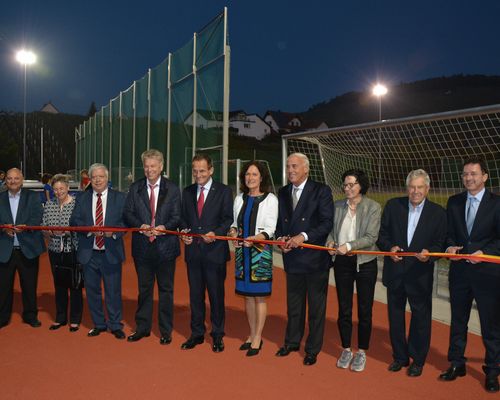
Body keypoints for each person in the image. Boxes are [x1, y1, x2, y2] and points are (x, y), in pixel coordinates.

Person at [377, 169, 446, 377]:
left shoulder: (438, 213)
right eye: (412, 187)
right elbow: (382, 235)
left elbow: (440, 243)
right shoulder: (392, 206)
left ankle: (418, 359)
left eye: (420, 187)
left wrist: (430, 255)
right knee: (395, 317)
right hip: (396, 272)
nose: (415, 191)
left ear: (427, 189)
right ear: (407, 188)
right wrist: (389, 248)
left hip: (420, 275)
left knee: (421, 319)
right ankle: (400, 356)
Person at [439, 157, 500, 393]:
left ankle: (493, 370)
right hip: (460, 273)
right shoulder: (454, 202)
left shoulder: (496, 204)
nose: (468, 178)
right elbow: (449, 234)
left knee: (491, 325)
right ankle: (457, 362)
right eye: (465, 174)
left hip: (488, 274)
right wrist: (450, 247)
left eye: (473, 174)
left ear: (484, 176)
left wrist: (485, 252)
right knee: (458, 321)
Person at [275, 152, 333, 366]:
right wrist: (281, 237)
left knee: (316, 308)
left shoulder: (321, 191)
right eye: (289, 166)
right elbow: (280, 222)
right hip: (292, 259)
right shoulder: (282, 192)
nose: (290, 170)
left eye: (295, 166)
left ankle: (312, 349)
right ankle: (291, 342)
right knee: (294, 305)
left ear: (306, 169)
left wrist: (303, 236)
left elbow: (327, 223)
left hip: (315, 260)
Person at [123, 149, 181, 345]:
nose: (149, 170)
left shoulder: (172, 189)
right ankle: (142, 328)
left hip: (166, 248)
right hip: (142, 248)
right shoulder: (135, 188)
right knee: (144, 290)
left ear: (161, 167)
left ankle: (166, 331)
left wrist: (166, 227)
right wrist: (140, 226)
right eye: (146, 166)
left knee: (166, 290)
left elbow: (177, 216)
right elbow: (128, 214)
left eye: (153, 166)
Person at [326, 169, 381, 372]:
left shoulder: (373, 207)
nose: (347, 188)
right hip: (342, 263)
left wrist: (349, 246)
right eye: (345, 185)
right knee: (344, 308)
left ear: (361, 185)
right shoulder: (338, 206)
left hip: (365, 262)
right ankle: (347, 348)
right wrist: (331, 241)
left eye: (351, 185)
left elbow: (371, 237)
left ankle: (362, 351)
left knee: (365, 309)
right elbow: (331, 229)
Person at [180, 154, 233, 353]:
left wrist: (217, 233)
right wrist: (183, 233)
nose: (198, 174)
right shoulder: (187, 192)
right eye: (195, 171)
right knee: (195, 296)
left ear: (211, 170)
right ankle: (197, 333)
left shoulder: (224, 191)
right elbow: (182, 219)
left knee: (216, 296)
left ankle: (218, 335)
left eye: (202, 170)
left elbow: (227, 219)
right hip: (193, 252)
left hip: (215, 253)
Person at [70, 163, 127, 339]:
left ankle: (115, 325)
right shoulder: (82, 198)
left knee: (113, 291)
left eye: (101, 176)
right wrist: (88, 229)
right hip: (89, 253)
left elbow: (126, 222)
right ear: (90, 179)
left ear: (107, 178)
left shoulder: (120, 197)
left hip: (111, 252)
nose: (97, 180)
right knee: (92, 291)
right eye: (94, 177)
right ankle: (99, 324)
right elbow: (74, 221)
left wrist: (115, 232)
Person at [228, 161, 278, 356]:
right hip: (242, 253)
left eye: (254, 174)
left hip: (260, 252)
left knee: (259, 297)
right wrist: (233, 233)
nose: (250, 178)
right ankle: (251, 333)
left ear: (262, 177)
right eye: (248, 174)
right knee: (247, 296)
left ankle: (258, 336)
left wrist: (256, 239)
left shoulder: (270, 199)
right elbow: (234, 223)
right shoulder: (239, 198)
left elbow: (270, 228)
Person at [0, 168, 46, 328]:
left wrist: (27, 227)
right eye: (10, 178)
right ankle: (3, 317)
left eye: (16, 178)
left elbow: (38, 216)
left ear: (22, 179)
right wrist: (3, 229)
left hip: (28, 248)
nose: (13, 181)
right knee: (3, 287)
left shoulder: (32, 196)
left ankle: (30, 315)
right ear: (6, 180)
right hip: (4, 250)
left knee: (29, 285)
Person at [42, 174, 83, 332]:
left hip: (72, 250)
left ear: (67, 188)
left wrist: (69, 232)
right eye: (55, 189)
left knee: (75, 285)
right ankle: (60, 318)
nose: (58, 192)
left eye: (61, 188)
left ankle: (75, 320)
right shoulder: (49, 204)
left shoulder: (76, 204)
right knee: (59, 285)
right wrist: (49, 232)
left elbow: (81, 225)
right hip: (54, 250)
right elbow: (43, 226)